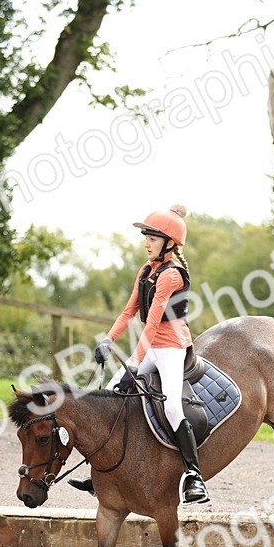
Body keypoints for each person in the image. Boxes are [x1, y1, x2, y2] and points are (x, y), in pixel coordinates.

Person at [68, 203, 210, 504]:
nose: (146, 244)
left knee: (172, 407)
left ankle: (193, 476)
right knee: (109, 392)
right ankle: (100, 475)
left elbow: (154, 324)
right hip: (151, 347)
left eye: (152, 239)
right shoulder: (146, 271)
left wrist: (133, 363)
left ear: (169, 243)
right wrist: (107, 339)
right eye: (146, 238)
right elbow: (129, 311)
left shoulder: (172, 275)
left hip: (171, 348)